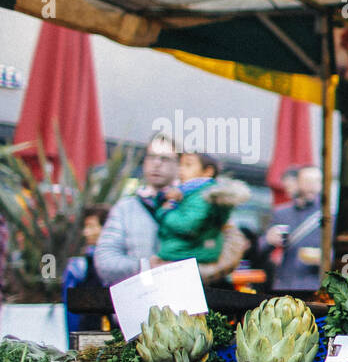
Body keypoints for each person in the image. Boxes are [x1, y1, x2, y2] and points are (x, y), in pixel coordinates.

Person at [95, 136, 249, 287]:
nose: (156, 164)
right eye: (151, 157)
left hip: (189, 302)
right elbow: (105, 262)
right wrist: (147, 266)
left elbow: (233, 248)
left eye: (165, 158)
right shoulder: (126, 207)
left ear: (180, 164)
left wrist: (184, 272)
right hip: (140, 301)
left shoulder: (204, 201)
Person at [153, 151, 249, 265]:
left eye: (188, 165)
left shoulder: (202, 195)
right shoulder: (189, 193)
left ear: (208, 171)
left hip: (187, 256)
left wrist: (165, 212)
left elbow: (188, 225)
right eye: (181, 165)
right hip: (189, 255)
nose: (181, 169)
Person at [261, 165, 324, 291]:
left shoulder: (330, 215)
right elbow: (260, 250)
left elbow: (344, 255)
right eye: (307, 181)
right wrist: (268, 240)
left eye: (317, 181)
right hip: (284, 285)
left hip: (317, 286)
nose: (312, 186)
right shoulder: (281, 213)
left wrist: (326, 256)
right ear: (297, 182)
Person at [62, 205, 109, 334]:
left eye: (92, 226)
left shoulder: (117, 264)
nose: (86, 232)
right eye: (86, 226)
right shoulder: (81, 265)